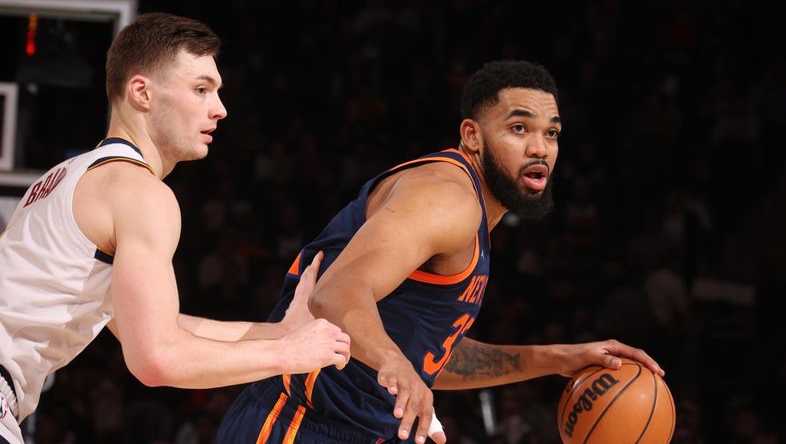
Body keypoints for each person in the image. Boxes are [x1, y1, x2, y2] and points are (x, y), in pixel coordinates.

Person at [215, 60, 664, 444]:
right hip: (301, 425)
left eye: (552, 133)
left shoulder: (473, 215)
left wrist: (555, 359)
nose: (539, 148)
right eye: (519, 128)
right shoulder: (448, 198)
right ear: (472, 135)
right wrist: (395, 365)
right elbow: (336, 294)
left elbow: (427, 358)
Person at [0, 13, 351, 444]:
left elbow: (158, 328)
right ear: (142, 93)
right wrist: (287, 354)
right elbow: (157, 359)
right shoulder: (140, 193)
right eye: (201, 89)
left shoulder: (63, 178)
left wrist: (280, 331)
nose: (220, 108)